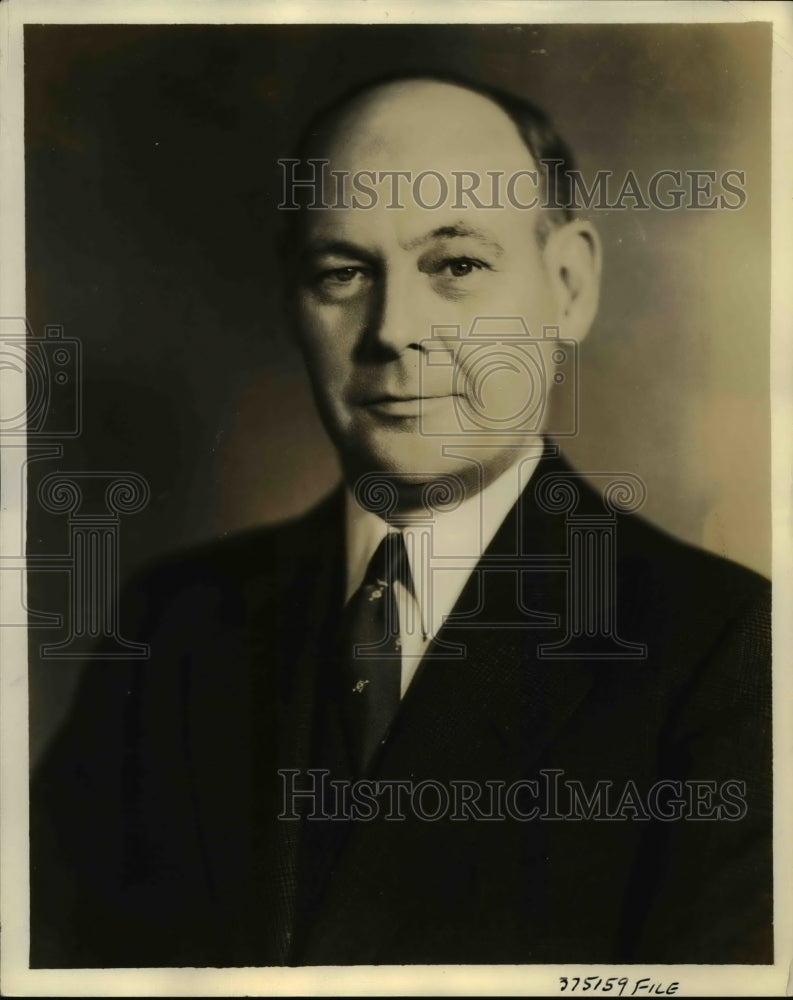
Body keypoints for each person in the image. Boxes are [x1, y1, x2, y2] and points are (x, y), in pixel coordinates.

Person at [30, 74, 772, 967]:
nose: (392, 331)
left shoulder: (730, 653)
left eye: (455, 265)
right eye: (341, 272)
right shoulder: (171, 626)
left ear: (568, 287)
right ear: (291, 303)